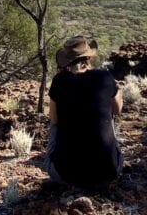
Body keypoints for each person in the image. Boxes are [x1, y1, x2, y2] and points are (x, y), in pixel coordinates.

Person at [44, 36, 123, 187]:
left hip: (64, 175)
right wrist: (117, 92)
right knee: (109, 113)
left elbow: (54, 119)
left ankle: (63, 159)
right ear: (89, 58)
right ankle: (106, 156)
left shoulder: (59, 81)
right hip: (109, 172)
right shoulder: (104, 78)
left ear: (66, 61)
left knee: (55, 125)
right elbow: (117, 110)